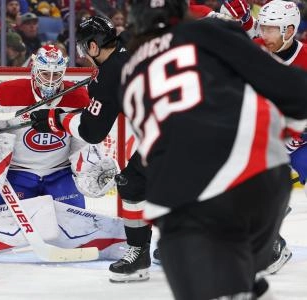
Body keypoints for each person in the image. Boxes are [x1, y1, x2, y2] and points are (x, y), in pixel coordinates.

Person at [117, 1, 307, 299]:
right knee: (240, 274)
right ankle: (260, 258)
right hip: (258, 179)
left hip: (181, 201)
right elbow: (295, 92)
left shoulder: (128, 71)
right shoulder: (211, 30)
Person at [30, 15, 153, 283]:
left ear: (95, 47)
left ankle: (258, 243)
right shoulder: (132, 48)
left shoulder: (108, 74)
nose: (85, 54)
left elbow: (92, 132)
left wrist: (55, 119)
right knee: (135, 183)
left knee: (154, 185)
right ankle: (144, 252)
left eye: (86, 48)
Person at [224, 0, 307, 275]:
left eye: (273, 30)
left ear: (290, 30)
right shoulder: (260, 47)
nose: (266, 35)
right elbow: (247, 34)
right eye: (264, 28)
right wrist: (245, 17)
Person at [0, 44, 95, 209]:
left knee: (77, 225)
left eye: (56, 74)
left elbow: (84, 134)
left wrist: (86, 165)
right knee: (7, 228)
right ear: (35, 70)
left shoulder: (79, 96)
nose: (50, 80)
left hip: (61, 173)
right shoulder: (7, 92)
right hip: (17, 174)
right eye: (45, 73)